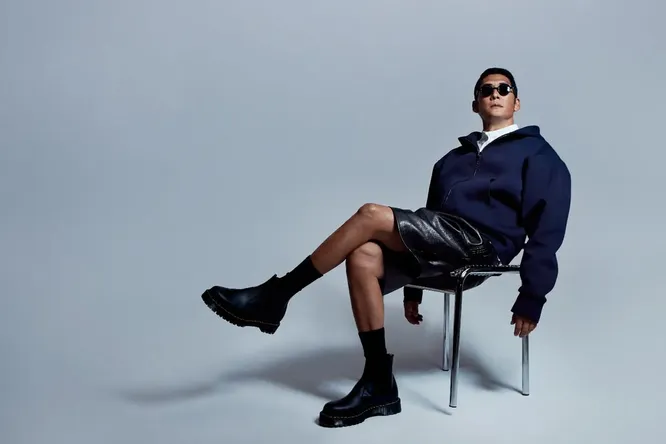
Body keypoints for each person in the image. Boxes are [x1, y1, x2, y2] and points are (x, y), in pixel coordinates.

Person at [201, 67, 572, 428]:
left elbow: (548, 230)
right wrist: (413, 289)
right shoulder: (450, 161)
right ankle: (378, 382)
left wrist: (532, 296)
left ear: (517, 102)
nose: (495, 94)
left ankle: (277, 295)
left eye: (504, 89)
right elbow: (431, 221)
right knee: (363, 255)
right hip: (444, 247)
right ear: (475, 104)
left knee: (371, 215)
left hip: (483, 248)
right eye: (486, 89)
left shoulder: (537, 155)